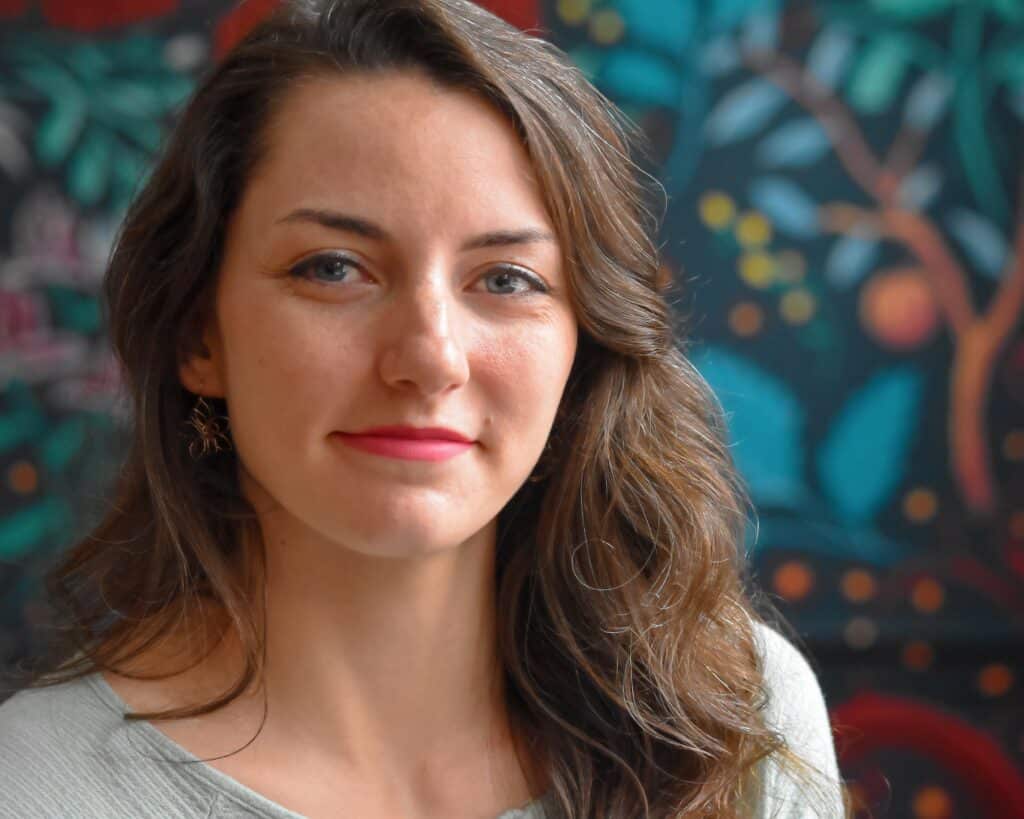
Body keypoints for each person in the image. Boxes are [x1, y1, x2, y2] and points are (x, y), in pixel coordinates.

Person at [0, 1, 850, 817]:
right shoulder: (29, 788)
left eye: (506, 279)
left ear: (581, 346)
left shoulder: (737, 721)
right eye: (333, 267)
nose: (431, 358)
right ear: (199, 335)